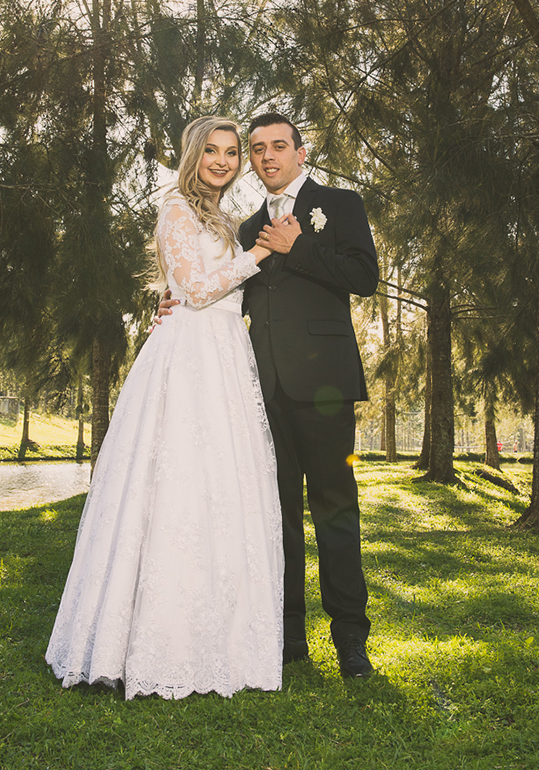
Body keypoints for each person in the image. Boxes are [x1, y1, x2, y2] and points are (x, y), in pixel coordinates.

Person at [45, 117, 283, 700]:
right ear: (192, 155)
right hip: (188, 359)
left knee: (220, 490)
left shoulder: (222, 217)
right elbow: (197, 289)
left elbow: (197, 288)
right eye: (213, 152)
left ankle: (222, 638)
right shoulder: (176, 207)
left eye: (232, 153)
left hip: (225, 355)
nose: (225, 161)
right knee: (172, 482)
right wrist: (258, 252)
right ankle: (147, 642)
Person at [160, 111, 379, 678]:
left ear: (301, 153)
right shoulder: (244, 222)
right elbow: (214, 284)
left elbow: (363, 277)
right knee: (272, 515)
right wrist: (171, 302)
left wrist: (299, 245)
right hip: (259, 387)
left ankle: (351, 640)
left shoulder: (342, 204)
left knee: (334, 508)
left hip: (326, 387)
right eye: (256, 149)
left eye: (278, 146)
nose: (266, 157)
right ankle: (287, 637)